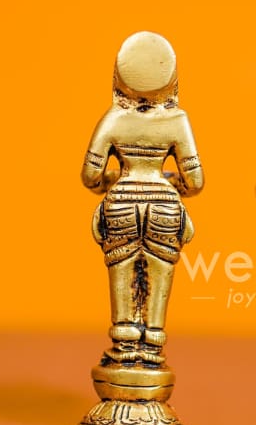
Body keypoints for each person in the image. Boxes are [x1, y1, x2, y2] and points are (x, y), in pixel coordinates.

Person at [81, 31, 203, 365]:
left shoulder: (114, 119)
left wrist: (115, 180)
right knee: (160, 273)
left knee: (122, 271)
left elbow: (90, 176)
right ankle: (151, 350)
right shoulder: (177, 121)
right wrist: (168, 182)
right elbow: (195, 181)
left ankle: (124, 351)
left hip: (121, 203)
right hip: (164, 205)